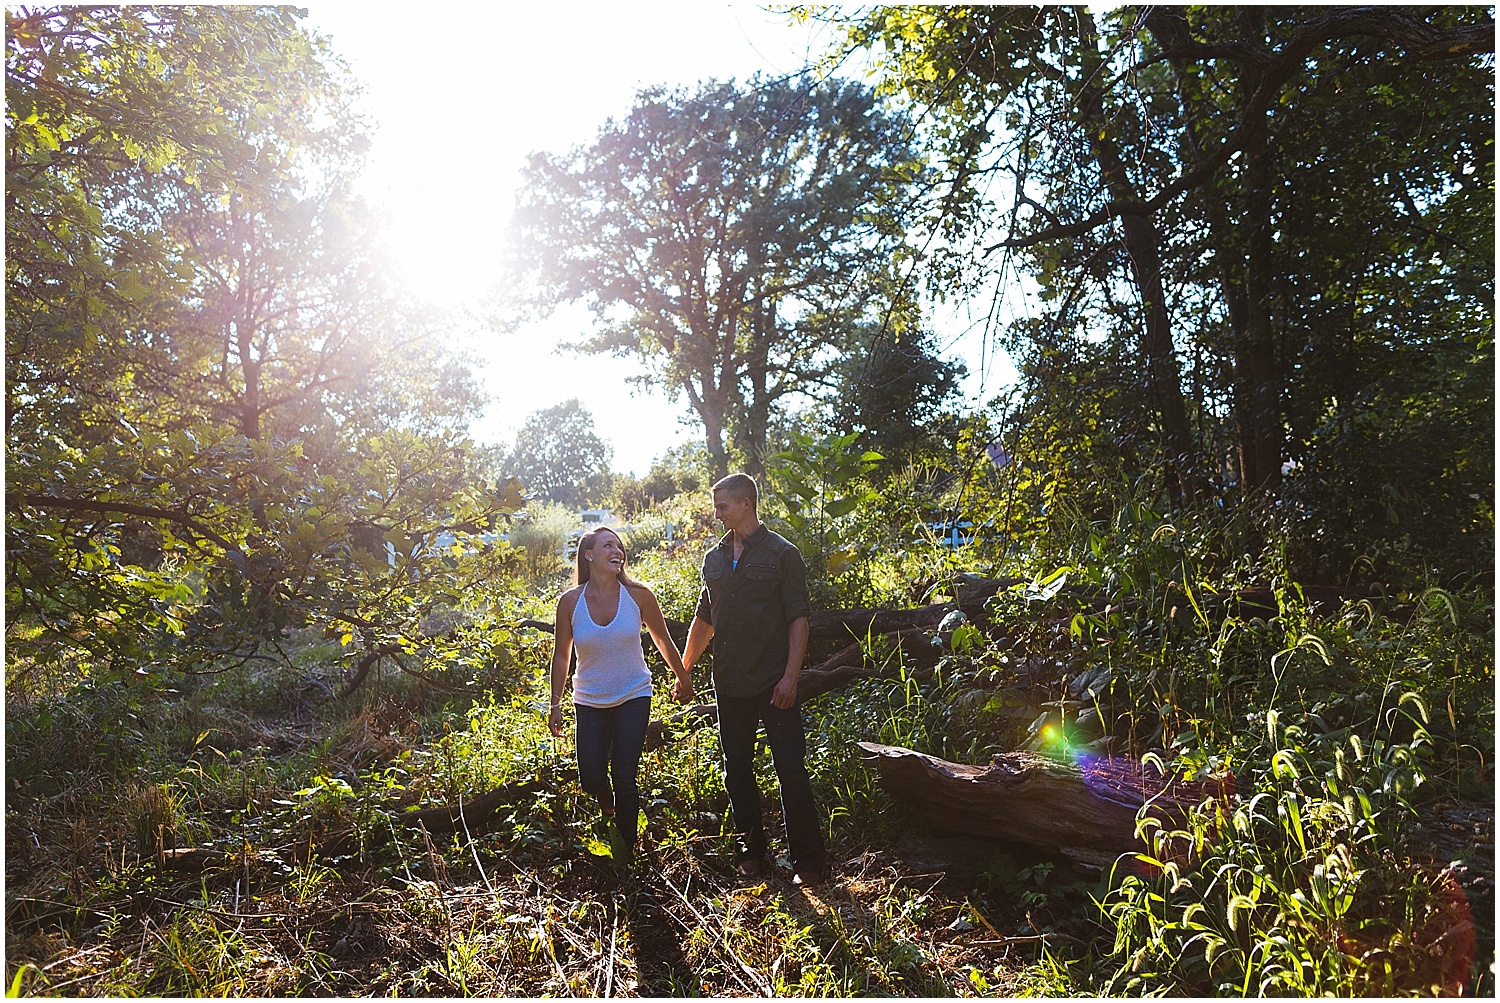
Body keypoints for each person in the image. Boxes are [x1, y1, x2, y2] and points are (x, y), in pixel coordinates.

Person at [683, 473, 828, 885]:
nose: (716, 513)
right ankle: (751, 853)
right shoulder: (714, 558)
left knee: (790, 769)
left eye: (722, 506)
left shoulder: (783, 555)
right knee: (737, 771)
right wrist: (686, 668)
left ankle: (808, 862)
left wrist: (790, 678)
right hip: (728, 684)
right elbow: (704, 617)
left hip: (772, 682)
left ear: (745, 503)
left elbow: (798, 619)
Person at [548, 525, 693, 857]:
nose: (617, 551)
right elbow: (561, 655)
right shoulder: (570, 603)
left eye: (620, 546)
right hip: (589, 699)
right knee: (591, 779)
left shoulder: (639, 595)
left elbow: (663, 640)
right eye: (607, 546)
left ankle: (627, 853)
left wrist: (683, 678)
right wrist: (555, 704)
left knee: (624, 775)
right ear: (588, 555)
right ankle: (608, 806)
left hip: (633, 694)